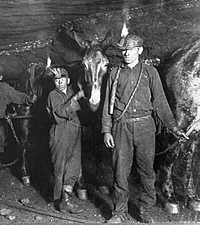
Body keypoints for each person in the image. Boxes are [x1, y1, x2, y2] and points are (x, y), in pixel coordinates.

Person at [101, 34, 188, 223]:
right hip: (121, 127)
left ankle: (145, 209)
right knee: (120, 171)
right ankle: (119, 213)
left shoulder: (150, 72)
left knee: (147, 171)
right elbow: (107, 104)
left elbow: (161, 103)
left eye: (130, 50)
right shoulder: (114, 74)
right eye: (123, 50)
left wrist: (173, 126)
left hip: (145, 126)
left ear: (139, 50)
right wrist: (106, 130)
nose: (126, 53)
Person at [46, 67, 85, 214]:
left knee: (74, 165)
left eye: (62, 79)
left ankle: (67, 199)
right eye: (56, 80)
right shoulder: (52, 95)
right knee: (60, 168)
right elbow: (61, 112)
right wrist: (75, 98)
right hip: (60, 133)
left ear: (68, 81)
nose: (60, 81)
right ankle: (59, 201)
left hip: (75, 132)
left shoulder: (70, 91)